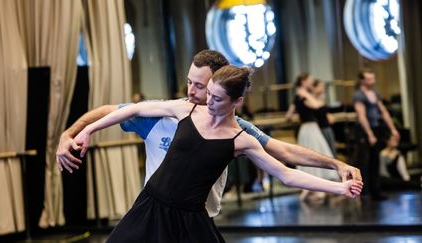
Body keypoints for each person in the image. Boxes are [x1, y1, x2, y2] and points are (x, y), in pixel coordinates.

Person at [71, 65, 363, 242]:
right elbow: (133, 109)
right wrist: (88, 131)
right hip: (150, 206)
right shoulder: (186, 108)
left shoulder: (241, 139)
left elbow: (286, 174)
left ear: (237, 101)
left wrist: (339, 187)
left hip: (190, 220)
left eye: (217, 98)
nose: (208, 100)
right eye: (208, 92)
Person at [353, 68, 400, 200]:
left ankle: (375, 191)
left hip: (375, 128)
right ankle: (362, 192)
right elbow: (361, 116)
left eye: (373, 78)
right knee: (364, 161)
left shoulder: (374, 93)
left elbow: (383, 112)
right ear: (362, 80)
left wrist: (393, 129)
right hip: (363, 130)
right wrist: (369, 134)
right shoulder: (358, 95)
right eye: (369, 79)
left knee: (375, 160)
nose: (372, 81)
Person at [292, 73, 340, 202]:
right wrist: (310, 93)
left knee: (316, 154)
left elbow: (290, 113)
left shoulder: (300, 95)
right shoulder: (302, 94)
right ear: (303, 82)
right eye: (310, 81)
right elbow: (317, 105)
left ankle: (315, 187)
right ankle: (311, 187)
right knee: (312, 155)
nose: (312, 84)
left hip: (311, 127)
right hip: (308, 128)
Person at [312, 79, 337, 157]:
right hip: (319, 129)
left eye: (323, 86)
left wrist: (329, 116)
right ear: (314, 87)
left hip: (326, 127)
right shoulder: (311, 100)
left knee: (331, 150)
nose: (323, 88)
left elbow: (323, 112)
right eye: (321, 86)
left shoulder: (321, 98)